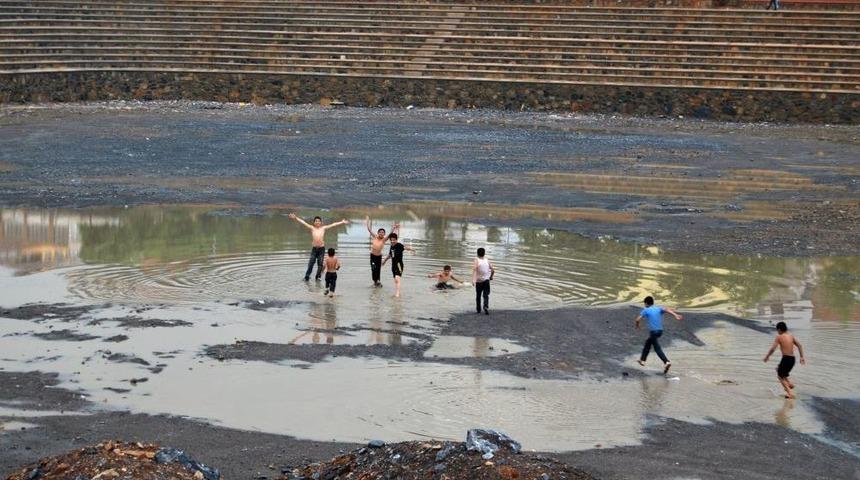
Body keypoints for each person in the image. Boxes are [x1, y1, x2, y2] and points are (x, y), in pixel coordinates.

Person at [288, 213, 348, 281]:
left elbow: (333, 225)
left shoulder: (323, 228)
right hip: (314, 249)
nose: (317, 222)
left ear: (321, 222)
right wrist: (296, 218)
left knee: (320, 264)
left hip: (321, 249)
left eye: (319, 221)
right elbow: (303, 223)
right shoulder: (312, 228)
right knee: (311, 264)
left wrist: (342, 222)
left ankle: (318, 277)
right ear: (314, 222)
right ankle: (307, 277)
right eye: (316, 221)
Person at [635, 296, 683, 374]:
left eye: (644, 303)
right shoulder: (658, 308)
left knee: (657, 348)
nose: (644, 305)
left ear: (646, 303)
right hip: (660, 331)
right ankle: (642, 360)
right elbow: (667, 309)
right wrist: (675, 315)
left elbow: (637, 319)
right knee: (648, 343)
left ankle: (666, 362)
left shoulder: (646, 310)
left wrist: (637, 325)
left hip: (653, 332)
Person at [763, 321, 806, 399]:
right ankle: (790, 384)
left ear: (779, 329)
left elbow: (773, 349)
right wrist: (802, 357)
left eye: (777, 330)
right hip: (792, 359)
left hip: (786, 358)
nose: (777, 332)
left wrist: (767, 356)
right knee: (778, 369)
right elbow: (800, 345)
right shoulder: (791, 336)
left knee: (780, 376)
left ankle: (790, 393)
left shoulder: (779, 337)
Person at [365, 216, 399, 287]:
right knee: (373, 268)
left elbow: (390, 234)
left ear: (384, 234)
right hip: (373, 256)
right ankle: (375, 281)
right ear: (378, 233)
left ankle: (377, 281)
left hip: (379, 257)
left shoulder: (384, 239)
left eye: (383, 232)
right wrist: (367, 222)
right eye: (380, 232)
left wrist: (394, 227)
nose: (381, 233)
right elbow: (369, 229)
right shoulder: (375, 237)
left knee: (378, 269)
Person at [381, 232, 414, 298]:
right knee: (395, 280)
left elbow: (405, 248)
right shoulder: (391, 246)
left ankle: (397, 294)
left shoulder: (399, 245)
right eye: (391, 240)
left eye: (394, 240)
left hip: (399, 264)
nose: (392, 241)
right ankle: (397, 293)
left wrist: (412, 250)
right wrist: (384, 261)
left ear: (396, 239)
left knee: (397, 279)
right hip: (393, 265)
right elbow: (390, 255)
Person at [472, 248, 495, 315]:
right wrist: (491, 277)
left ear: (477, 253)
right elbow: (493, 270)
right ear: (484, 253)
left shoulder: (476, 260)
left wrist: (473, 280)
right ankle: (485, 306)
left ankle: (478, 310)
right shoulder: (487, 260)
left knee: (478, 296)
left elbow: (474, 270)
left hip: (479, 281)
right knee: (486, 295)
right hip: (486, 281)